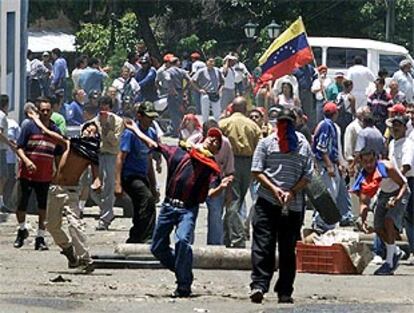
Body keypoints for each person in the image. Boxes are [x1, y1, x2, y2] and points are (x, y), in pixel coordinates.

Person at [124, 119, 231, 297]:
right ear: (203, 139)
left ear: (217, 150)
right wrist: (135, 129)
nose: (213, 140)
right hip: (168, 207)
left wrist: (221, 188)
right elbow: (154, 145)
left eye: (217, 141)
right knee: (157, 247)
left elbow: (209, 193)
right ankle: (183, 272)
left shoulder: (209, 167)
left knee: (182, 241)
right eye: (211, 137)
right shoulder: (179, 152)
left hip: (188, 209)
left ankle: (183, 284)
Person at [249, 106, 313, 304]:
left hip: (292, 206)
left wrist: (292, 191)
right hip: (267, 201)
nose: (285, 127)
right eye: (281, 123)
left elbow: (308, 175)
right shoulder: (266, 143)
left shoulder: (303, 145)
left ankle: (285, 290)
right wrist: (274, 189)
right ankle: (259, 285)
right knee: (263, 246)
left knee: (287, 250)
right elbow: (256, 170)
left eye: (288, 123)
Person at [28, 112, 100, 272]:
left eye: (93, 131)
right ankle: (69, 252)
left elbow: (96, 176)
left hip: (72, 192)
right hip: (55, 190)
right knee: (52, 226)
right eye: (88, 129)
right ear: (82, 132)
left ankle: (86, 259)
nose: (90, 132)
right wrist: (35, 119)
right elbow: (48, 133)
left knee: (75, 224)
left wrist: (97, 182)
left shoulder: (92, 155)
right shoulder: (69, 144)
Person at [13, 97, 62, 250]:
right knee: (22, 204)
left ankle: (40, 237)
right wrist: (27, 161)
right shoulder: (29, 126)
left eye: (48, 110)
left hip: (45, 174)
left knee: (42, 206)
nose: (46, 113)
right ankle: (22, 230)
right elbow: (19, 147)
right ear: (38, 111)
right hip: (27, 173)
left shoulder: (54, 130)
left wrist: (58, 172)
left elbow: (59, 153)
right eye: (43, 110)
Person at [351, 148, 409, 275]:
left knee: (388, 221)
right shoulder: (363, 177)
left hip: (400, 192)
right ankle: (395, 252)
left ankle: (389, 263)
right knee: (377, 227)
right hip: (384, 194)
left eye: (371, 161)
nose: (369, 165)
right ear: (360, 162)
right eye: (365, 162)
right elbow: (364, 203)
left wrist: (396, 199)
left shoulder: (387, 168)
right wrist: (363, 219)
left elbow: (404, 184)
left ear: (376, 159)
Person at [219, 96, 262, 248]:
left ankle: (235, 238)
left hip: (230, 162)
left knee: (232, 201)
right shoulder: (254, 126)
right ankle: (230, 236)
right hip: (248, 163)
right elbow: (259, 149)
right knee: (237, 200)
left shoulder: (224, 123)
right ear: (245, 109)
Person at [115, 102, 158, 243]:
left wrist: (153, 184)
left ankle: (135, 237)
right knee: (147, 199)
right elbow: (120, 158)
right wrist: (117, 184)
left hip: (142, 175)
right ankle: (146, 237)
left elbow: (149, 160)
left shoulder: (151, 133)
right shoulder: (130, 134)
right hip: (130, 176)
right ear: (139, 116)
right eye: (148, 117)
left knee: (145, 205)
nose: (151, 120)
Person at [312, 102, 352, 232]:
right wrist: (329, 165)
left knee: (332, 194)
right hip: (326, 164)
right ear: (334, 113)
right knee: (327, 195)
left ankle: (326, 223)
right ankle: (321, 223)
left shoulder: (328, 125)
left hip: (330, 163)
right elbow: (322, 147)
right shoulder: (327, 125)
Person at [91, 96, 124, 230]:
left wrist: (106, 128)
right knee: (92, 187)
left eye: (106, 108)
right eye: (101, 108)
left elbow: (115, 141)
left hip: (110, 155)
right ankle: (107, 210)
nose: (103, 111)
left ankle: (105, 217)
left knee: (108, 187)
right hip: (96, 156)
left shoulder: (117, 121)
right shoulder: (94, 121)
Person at [386, 115, 414, 263]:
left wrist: (397, 178)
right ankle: (389, 251)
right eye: (393, 125)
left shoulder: (408, 144)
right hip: (395, 182)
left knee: (411, 218)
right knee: (394, 217)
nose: (395, 128)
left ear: (404, 127)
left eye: (398, 126)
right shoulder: (392, 144)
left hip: (408, 181)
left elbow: (406, 166)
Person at [164, 57, 193, 137]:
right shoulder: (182, 71)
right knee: (180, 112)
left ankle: (177, 132)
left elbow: (168, 80)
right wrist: (185, 89)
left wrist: (172, 90)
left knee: (173, 113)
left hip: (172, 94)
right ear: (177, 63)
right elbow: (190, 80)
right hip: (180, 92)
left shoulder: (168, 71)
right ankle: (180, 130)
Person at [192, 57, 224, 123]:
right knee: (205, 113)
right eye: (210, 61)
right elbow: (192, 81)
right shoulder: (201, 71)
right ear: (207, 62)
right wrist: (199, 89)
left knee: (217, 113)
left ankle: (217, 127)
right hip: (205, 93)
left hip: (215, 93)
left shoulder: (217, 70)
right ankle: (205, 127)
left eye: (213, 62)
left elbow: (223, 81)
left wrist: (220, 89)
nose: (211, 63)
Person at [293, 64, 317, 129]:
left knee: (308, 112)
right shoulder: (296, 69)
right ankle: (298, 127)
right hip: (299, 92)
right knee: (299, 111)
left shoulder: (310, 68)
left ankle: (307, 129)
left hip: (308, 92)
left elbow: (315, 76)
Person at [0, 95, 9, 212]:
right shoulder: (2, 116)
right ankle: (1, 201)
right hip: (1, 149)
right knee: (3, 176)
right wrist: (10, 144)